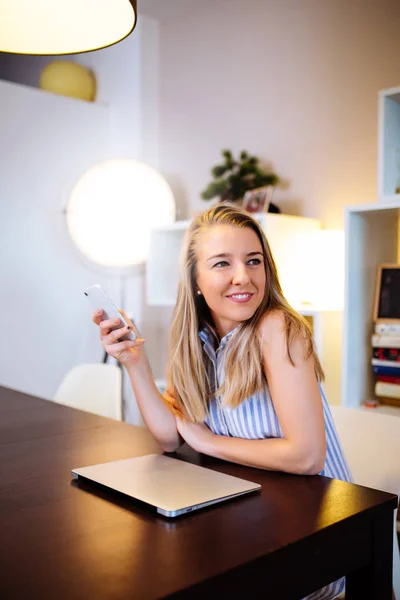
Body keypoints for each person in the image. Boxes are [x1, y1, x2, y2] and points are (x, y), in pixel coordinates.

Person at [92, 204, 351, 600]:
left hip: (319, 538)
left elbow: (307, 457)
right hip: (251, 518)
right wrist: (135, 364)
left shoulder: (277, 328)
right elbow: (168, 436)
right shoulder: (195, 339)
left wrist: (207, 442)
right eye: (221, 264)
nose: (243, 277)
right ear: (195, 280)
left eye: (253, 261)